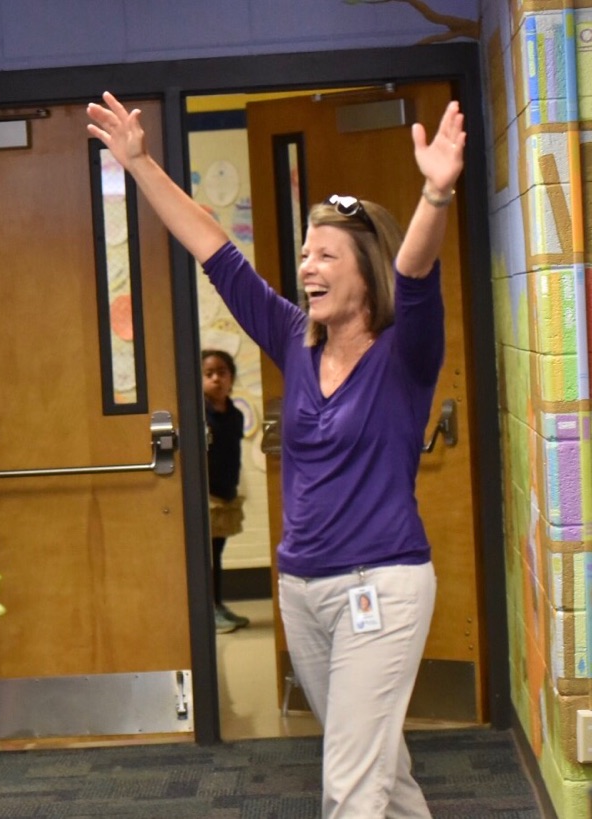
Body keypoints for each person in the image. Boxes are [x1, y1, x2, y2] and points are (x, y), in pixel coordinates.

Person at [88, 90, 464, 817]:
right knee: (382, 767)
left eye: (327, 253)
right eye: (303, 254)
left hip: (380, 588)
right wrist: (139, 165)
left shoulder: (404, 355)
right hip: (303, 590)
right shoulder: (295, 337)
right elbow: (211, 247)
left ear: (367, 270)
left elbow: (416, 273)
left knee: (349, 785)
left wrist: (435, 193)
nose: (308, 266)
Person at [201, 349, 248, 634]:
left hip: (225, 492)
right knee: (205, 555)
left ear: (231, 378)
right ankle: (209, 608)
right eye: (209, 374)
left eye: (222, 373)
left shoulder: (236, 415)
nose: (216, 379)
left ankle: (217, 603)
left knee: (217, 553)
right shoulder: (199, 415)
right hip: (206, 497)